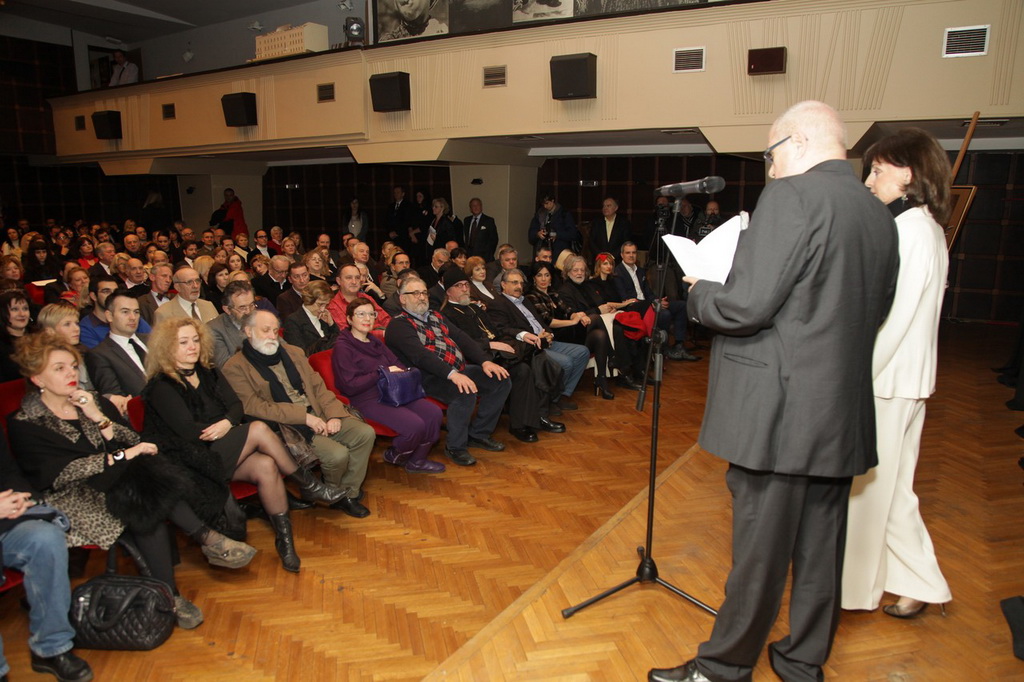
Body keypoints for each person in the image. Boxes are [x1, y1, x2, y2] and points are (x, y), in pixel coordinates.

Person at [648, 101, 899, 682]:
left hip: (779, 412)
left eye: (769, 154)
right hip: (838, 411)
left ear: (799, 141)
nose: (768, 168)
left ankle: (723, 669)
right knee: (820, 548)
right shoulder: (876, 211)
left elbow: (746, 306)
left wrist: (703, 288)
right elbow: (873, 309)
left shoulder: (791, 197)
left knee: (760, 553)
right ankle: (802, 660)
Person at [8, 333, 255, 632]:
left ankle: (171, 593)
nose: (71, 373)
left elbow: (132, 439)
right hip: (75, 496)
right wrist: (121, 457)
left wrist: (98, 417)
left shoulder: (93, 401)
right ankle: (202, 543)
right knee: (146, 488)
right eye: (59, 368)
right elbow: (59, 473)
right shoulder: (25, 422)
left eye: (73, 366)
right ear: (38, 379)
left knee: (144, 499)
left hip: (123, 480)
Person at [842, 128, 954, 618]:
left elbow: (895, 319)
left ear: (907, 175)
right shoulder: (922, 227)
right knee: (893, 489)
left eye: (878, 170)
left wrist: (855, 380)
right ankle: (922, 584)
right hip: (906, 380)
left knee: (869, 494)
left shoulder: (910, 231)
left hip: (888, 382)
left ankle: (855, 592)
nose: (869, 181)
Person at [142, 318, 342, 573]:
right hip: (191, 458)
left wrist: (227, 423)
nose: (192, 346)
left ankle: (286, 542)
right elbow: (188, 432)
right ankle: (308, 484)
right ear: (166, 347)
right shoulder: (161, 385)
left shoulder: (209, 370)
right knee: (258, 429)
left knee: (267, 466)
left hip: (222, 446)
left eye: (195, 340)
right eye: (183, 342)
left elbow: (236, 406)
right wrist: (228, 426)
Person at [223, 310, 375, 517]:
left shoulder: (293, 352)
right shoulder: (235, 367)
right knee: (337, 455)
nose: (271, 336)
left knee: (365, 433)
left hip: (318, 412)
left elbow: (318, 387)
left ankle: (347, 494)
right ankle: (334, 495)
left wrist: (333, 415)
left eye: (275, 330)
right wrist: (304, 417)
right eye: (265, 330)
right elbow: (254, 407)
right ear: (248, 331)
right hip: (287, 427)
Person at [385, 277, 511, 467]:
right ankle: (455, 447)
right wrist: (453, 374)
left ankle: (478, 434)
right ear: (402, 299)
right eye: (415, 293)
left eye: (424, 292)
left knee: (500, 380)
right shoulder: (398, 325)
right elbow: (421, 357)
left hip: (454, 370)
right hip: (424, 377)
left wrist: (485, 361)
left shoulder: (436, 315)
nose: (421, 297)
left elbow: (462, 338)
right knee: (464, 391)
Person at [0, 435, 94, 682]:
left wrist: (23, 500)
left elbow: (8, 469)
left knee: (46, 538)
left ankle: (51, 647)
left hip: (4, 521)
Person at [441, 268, 565, 442]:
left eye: (466, 285)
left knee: (525, 367)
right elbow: (458, 343)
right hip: (476, 360)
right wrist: (489, 344)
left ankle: (525, 422)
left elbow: (497, 330)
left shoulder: (475, 308)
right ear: (448, 291)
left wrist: (515, 337)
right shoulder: (446, 315)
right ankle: (531, 419)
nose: (464, 289)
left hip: (499, 353)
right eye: (459, 286)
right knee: (528, 364)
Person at [334, 298, 445, 472]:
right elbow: (349, 385)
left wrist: (402, 371)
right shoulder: (343, 347)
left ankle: (417, 460)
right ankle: (396, 454)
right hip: (367, 398)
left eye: (371, 314)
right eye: (361, 314)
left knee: (433, 413)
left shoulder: (374, 341)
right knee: (415, 425)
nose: (367, 318)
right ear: (349, 319)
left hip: (393, 391)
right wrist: (381, 372)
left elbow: (396, 363)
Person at [489, 268, 590, 410]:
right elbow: (502, 330)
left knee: (582, 352)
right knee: (566, 363)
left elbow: (541, 322)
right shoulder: (498, 304)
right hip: (531, 346)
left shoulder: (525, 301)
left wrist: (549, 334)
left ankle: (560, 395)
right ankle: (549, 401)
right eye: (514, 283)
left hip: (546, 340)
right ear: (504, 285)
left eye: (521, 283)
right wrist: (534, 337)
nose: (519, 286)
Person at [527, 261, 615, 399]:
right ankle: (613, 356)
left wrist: (578, 316)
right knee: (596, 318)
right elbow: (548, 321)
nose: (543, 279)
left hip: (570, 331)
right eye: (539, 275)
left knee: (599, 335)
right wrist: (573, 321)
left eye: (546, 275)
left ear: (551, 278)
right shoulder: (532, 296)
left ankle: (601, 379)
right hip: (555, 335)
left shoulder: (553, 294)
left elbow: (568, 311)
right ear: (534, 278)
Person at [559, 255, 643, 391]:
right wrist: (598, 310)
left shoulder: (587, 285)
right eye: (575, 270)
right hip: (576, 330)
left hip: (594, 329)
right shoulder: (565, 291)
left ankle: (603, 379)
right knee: (599, 320)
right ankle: (616, 360)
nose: (579, 273)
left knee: (610, 332)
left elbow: (600, 303)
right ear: (568, 272)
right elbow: (574, 315)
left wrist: (609, 308)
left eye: (582, 270)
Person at [614, 241, 698, 362]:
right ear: (622, 255)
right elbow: (625, 298)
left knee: (681, 305)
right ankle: (662, 348)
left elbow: (648, 292)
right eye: (628, 253)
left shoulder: (640, 270)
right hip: (636, 308)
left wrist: (657, 300)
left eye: (634, 252)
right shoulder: (618, 272)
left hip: (649, 303)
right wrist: (652, 304)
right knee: (664, 314)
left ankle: (678, 345)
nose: (631, 255)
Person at [85, 288, 152, 404]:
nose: (133, 317)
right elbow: (116, 401)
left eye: (136, 312)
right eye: (125, 312)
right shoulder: (100, 354)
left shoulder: (152, 340)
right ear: (109, 316)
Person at [327, 264, 391, 335]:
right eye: (349, 278)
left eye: (357, 278)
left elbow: (386, 320)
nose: (354, 282)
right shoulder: (333, 305)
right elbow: (350, 334)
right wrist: (381, 333)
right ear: (339, 281)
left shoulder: (366, 298)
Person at [282, 280, 338, 356]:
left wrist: (331, 324)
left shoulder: (324, 316)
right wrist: (323, 342)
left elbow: (339, 342)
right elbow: (300, 354)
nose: (323, 309)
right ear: (309, 299)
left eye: (326, 305)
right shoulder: (293, 321)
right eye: (320, 304)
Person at [207, 280, 255, 366]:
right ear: (227, 310)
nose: (248, 311)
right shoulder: (214, 329)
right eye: (242, 307)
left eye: (251, 305)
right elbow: (227, 368)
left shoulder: (260, 318)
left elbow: (282, 347)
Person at [0, 290, 36, 382]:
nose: (22, 314)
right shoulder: (2, 345)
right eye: (15, 309)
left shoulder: (39, 336)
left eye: (25, 309)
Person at [462, 198, 498, 262]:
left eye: (477, 205)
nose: (476, 207)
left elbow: (494, 239)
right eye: (473, 206)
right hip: (469, 255)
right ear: (470, 208)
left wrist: (488, 254)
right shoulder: (466, 220)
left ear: (481, 207)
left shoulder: (488, 220)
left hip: (484, 256)